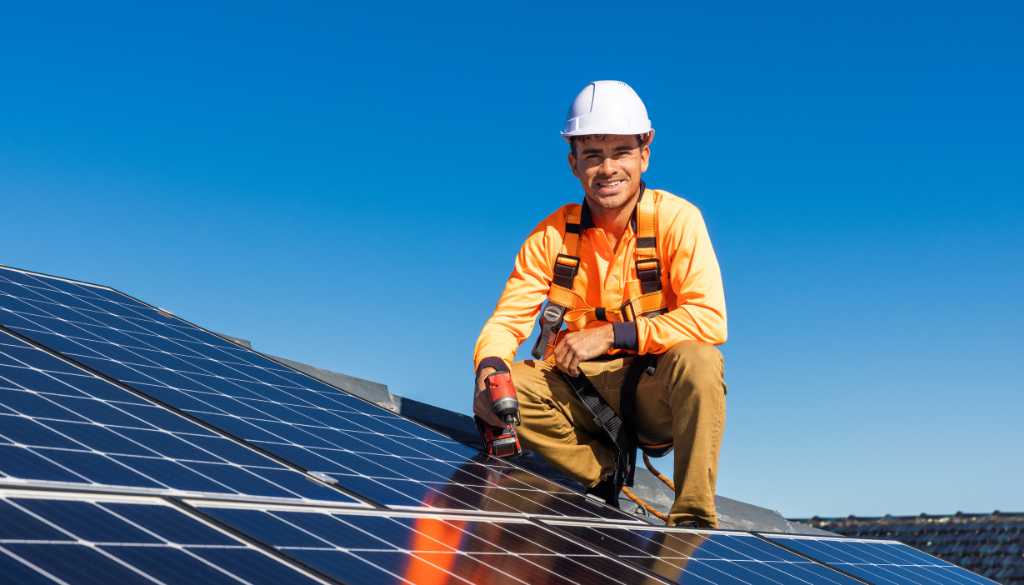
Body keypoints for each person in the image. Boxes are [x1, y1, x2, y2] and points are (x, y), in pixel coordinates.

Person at [472, 81, 728, 527]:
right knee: (501, 388)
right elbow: (506, 322)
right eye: (592, 155)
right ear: (573, 163)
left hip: (652, 392)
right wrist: (489, 368)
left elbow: (709, 318)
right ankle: (604, 472)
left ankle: (691, 518)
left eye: (620, 152)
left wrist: (611, 334)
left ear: (645, 153)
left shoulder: (677, 220)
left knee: (701, 361)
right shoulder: (551, 235)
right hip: (576, 395)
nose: (607, 168)